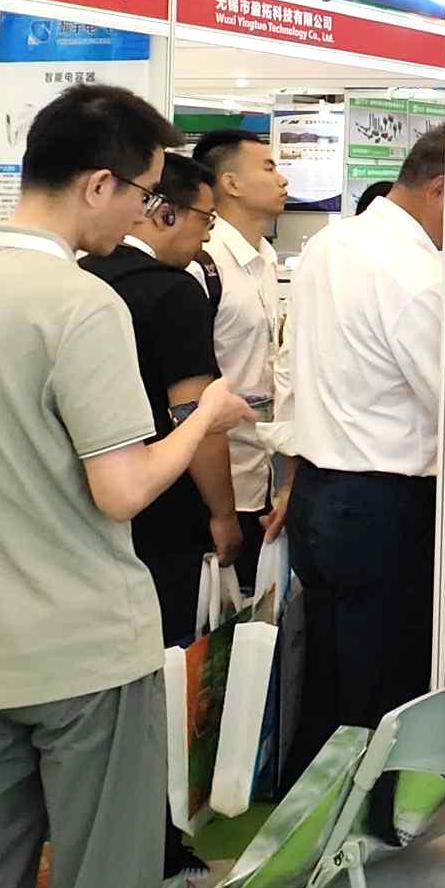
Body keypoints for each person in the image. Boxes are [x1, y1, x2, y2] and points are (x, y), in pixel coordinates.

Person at [0, 84, 250, 888]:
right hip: (80, 648)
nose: (144, 214)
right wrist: (205, 417)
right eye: (144, 192)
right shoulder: (81, 303)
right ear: (98, 184)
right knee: (105, 885)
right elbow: (122, 488)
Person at [283, 125, 445, 783]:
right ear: (441, 189)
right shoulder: (417, 277)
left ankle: (310, 824)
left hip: (319, 496)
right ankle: (366, 833)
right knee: (385, 695)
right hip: (384, 509)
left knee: (328, 684)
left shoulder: (329, 245)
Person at [77, 150, 238, 888]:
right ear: (162, 209)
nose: (207, 237)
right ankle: (163, 852)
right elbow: (198, 419)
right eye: (204, 219)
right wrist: (223, 512)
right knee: (163, 684)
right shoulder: (173, 293)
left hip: (86, 520)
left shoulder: (81, 280)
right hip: (163, 512)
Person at [192, 129, 290, 582]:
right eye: (268, 167)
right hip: (218, 481)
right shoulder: (205, 262)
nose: (282, 179)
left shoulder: (265, 259)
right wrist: (221, 510)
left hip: (262, 474)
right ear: (230, 183)